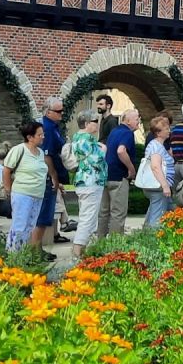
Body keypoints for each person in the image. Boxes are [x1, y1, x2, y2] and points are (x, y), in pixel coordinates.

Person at [0, 119, 49, 253]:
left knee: (29, 226)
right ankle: (12, 254)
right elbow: (6, 170)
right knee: (19, 226)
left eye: (43, 134)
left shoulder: (40, 153)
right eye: (40, 135)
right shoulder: (19, 150)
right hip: (22, 194)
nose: (43, 137)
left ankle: (21, 254)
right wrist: (8, 189)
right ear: (30, 137)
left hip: (37, 195)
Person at [68, 110, 107, 260]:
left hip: (87, 182)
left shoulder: (81, 138)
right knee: (88, 217)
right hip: (90, 181)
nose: (97, 124)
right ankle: (78, 250)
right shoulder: (85, 139)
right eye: (95, 121)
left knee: (88, 216)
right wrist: (103, 150)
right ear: (86, 124)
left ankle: (81, 248)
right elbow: (96, 160)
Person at [32, 97, 69, 250]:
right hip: (48, 178)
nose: (62, 113)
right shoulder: (46, 128)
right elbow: (46, 155)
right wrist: (54, 177)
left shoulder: (53, 127)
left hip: (52, 176)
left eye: (62, 110)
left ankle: (38, 248)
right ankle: (35, 249)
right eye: (58, 111)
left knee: (47, 215)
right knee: (43, 216)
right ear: (48, 112)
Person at [100, 109, 140, 241]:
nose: (138, 121)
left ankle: (100, 241)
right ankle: (115, 245)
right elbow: (121, 151)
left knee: (104, 212)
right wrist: (131, 169)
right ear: (127, 121)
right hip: (119, 176)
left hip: (106, 175)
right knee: (118, 213)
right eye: (136, 119)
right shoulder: (127, 133)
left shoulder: (114, 131)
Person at [140, 113, 175, 228]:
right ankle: (152, 240)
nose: (169, 131)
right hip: (158, 187)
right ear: (159, 133)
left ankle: (145, 235)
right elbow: (155, 166)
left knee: (158, 212)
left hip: (157, 186)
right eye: (166, 129)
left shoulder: (157, 145)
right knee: (157, 218)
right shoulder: (156, 147)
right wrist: (165, 185)